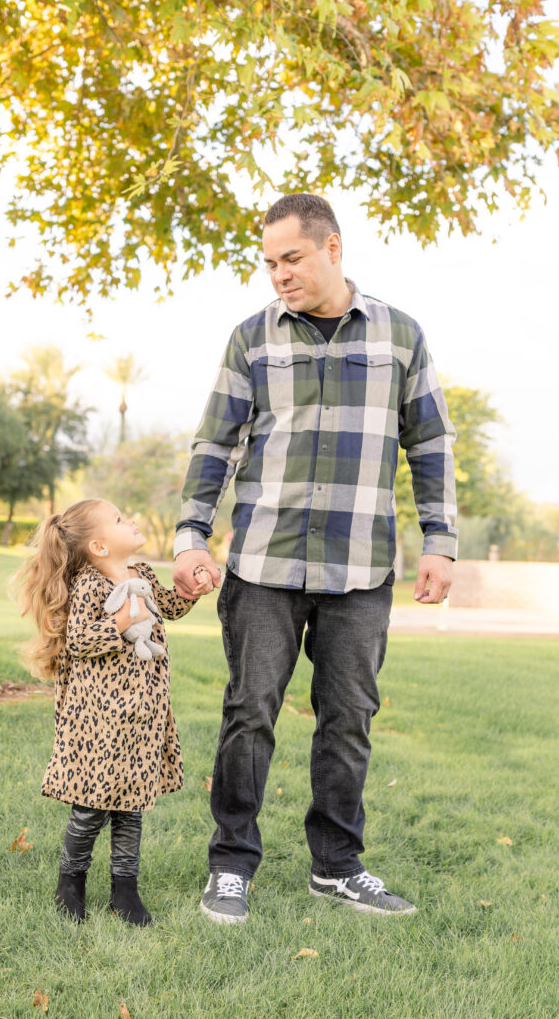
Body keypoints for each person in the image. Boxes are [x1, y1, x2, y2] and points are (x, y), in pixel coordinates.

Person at [173, 193, 457, 923]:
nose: (278, 275)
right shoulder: (251, 338)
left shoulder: (401, 335)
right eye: (269, 263)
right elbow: (215, 444)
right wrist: (190, 534)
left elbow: (428, 443)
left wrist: (439, 541)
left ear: (332, 248)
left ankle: (336, 866)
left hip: (360, 569)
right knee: (248, 715)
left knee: (348, 718)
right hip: (263, 565)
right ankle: (231, 864)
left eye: (290, 258)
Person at [14, 498, 213, 926]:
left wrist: (190, 591)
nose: (133, 519)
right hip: (99, 722)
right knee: (91, 808)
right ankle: (70, 884)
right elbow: (81, 640)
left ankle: (125, 891)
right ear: (100, 547)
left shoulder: (141, 574)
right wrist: (122, 621)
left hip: (143, 717)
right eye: (121, 519)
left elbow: (168, 607)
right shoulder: (90, 586)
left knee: (131, 809)